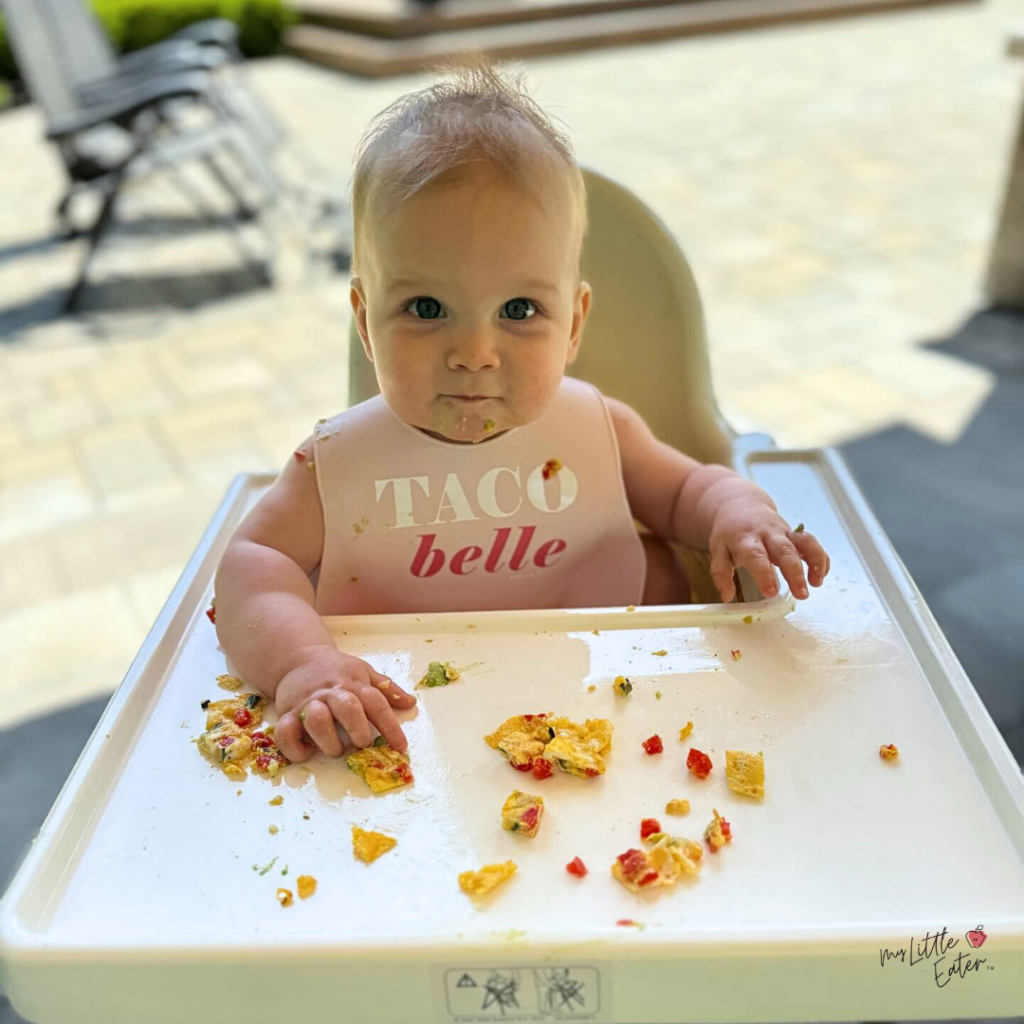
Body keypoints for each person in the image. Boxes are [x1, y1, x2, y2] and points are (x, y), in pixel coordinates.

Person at [213, 59, 830, 765]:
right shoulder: (332, 468)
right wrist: (302, 666)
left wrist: (739, 516)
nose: (474, 351)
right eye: (425, 308)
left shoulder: (599, 431)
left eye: (518, 310)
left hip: (624, 717)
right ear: (364, 320)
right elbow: (253, 563)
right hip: (406, 736)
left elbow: (693, 488)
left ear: (573, 325)